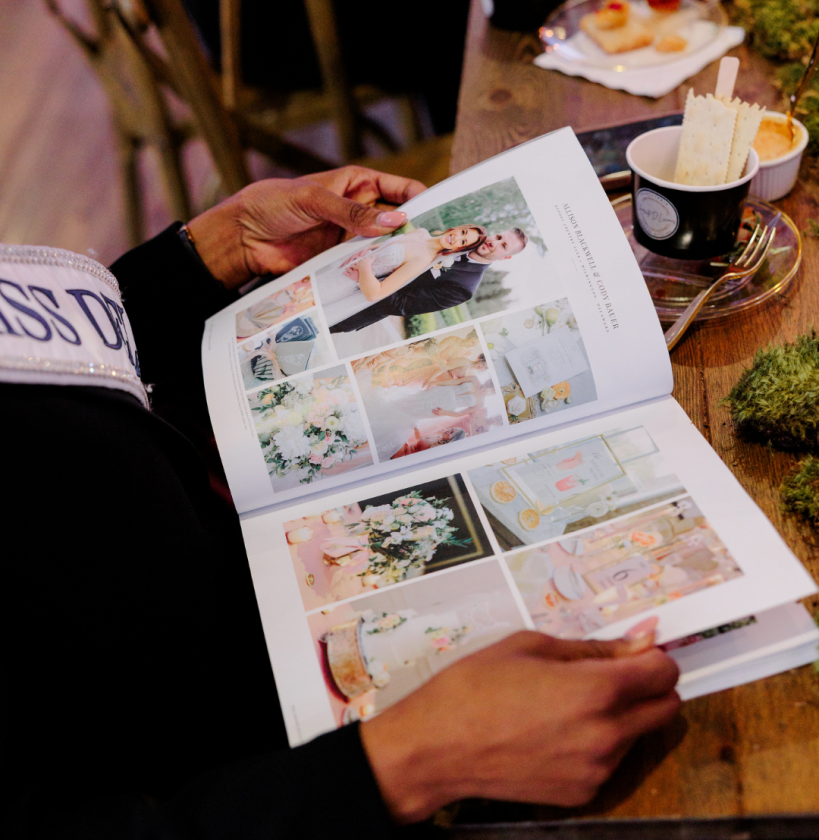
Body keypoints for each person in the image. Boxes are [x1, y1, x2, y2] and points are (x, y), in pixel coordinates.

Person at [3, 167, 681, 839]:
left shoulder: (461, 271)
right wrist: (398, 768)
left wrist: (208, 255)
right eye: (491, 239)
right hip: (267, 772)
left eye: (496, 240)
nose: (488, 242)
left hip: (257, 550)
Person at [329, 227, 528, 335]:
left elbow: (402, 304)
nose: (494, 242)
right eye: (499, 236)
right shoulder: (457, 241)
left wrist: (366, 278)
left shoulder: (465, 287)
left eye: (503, 246)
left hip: (357, 306)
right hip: (349, 273)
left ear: (506, 257)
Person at [317, 223, 486, 327]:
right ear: (458, 228)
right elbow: (381, 247)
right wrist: (363, 251)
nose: (457, 238)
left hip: (344, 284)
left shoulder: (423, 260)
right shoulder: (420, 232)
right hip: (342, 267)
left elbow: (376, 293)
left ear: (458, 249)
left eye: (463, 242)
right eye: (463, 233)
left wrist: (365, 269)